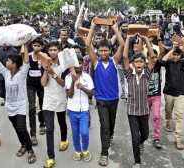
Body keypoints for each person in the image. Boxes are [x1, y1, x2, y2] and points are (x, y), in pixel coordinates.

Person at [86, 18, 124, 167]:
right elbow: (88, 44)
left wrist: (115, 28)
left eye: (105, 50)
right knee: (105, 126)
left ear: (110, 51)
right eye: (100, 50)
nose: (103, 52)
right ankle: (104, 153)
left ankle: (111, 136)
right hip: (101, 100)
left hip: (113, 99)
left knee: (112, 123)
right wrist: (93, 26)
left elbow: (122, 44)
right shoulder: (95, 62)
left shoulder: (114, 61)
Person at [0, 44, 36, 164]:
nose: (6, 62)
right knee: (17, 128)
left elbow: (26, 61)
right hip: (9, 107)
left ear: (14, 64)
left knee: (22, 128)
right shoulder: (5, 73)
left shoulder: (21, 74)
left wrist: (25, 44)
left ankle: (30, 150)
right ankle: (23, 145)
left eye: (8, 61)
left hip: (20, 106)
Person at [123, 34, 154, 168]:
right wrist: (129, 38)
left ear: (144, 63)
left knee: (145, 135)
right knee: (135, 137)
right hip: (132, 110)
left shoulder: (147, 74)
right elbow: (124, 57)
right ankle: (137, 161)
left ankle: (141, 142)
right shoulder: (129, 74)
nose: (139, 64)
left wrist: (146, 38)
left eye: (141, 62)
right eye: (136, 62)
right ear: (133, 64)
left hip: (144, 110)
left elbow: (152, 57)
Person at [41, 41, 69, 168]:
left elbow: (64, 84)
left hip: (61, 97)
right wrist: (46, 70)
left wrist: (53, 73)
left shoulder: (64, 65)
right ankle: (51, 157)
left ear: (59, 51)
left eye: (55, 50)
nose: (52, 52)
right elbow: (43, 84)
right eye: (50, 50)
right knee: (50, 129)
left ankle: (64, 140)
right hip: (48, 100)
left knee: (62, 122)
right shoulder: (45, 63)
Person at [161, 43, 184, 150]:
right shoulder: (168, 62)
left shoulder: (182, 62)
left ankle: (178, 139)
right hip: (169, 92)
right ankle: (168, 122)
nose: (175, 57)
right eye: (174, 55)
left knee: (179, 115)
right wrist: (171, 50)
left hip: (180, 93)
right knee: (168, 111)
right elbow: (161, 61)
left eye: (177, 55)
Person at [65, 54, 94, 162]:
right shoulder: (68, 78)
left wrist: (82, 87)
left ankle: (85, 150)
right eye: (75, 64)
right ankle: (77, 150)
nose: (77, 66)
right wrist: (73, 82)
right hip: (72, 110)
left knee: (84, 132)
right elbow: (70, 95)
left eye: (80, 63)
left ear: (83, 64)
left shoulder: (87, 77)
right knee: (75, 132)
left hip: (84, 110)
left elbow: (91, 93)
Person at [27, 37, 46, 146]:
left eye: (39, 46)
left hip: (41, 85)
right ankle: (33, 134)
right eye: (35, 45)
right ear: (32, 46)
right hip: (30, 85)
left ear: (42, 47)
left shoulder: (45, 57)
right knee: (31, 108)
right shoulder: (28, 56)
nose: (36, 48)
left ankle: (42, 123)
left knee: (43, 105)